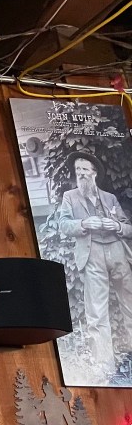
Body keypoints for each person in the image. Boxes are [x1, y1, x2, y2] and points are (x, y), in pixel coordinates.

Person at [57, 151, 132, 379]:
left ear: (95, 173)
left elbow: (128, 228)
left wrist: (116, 226)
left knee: (130, 306)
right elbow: (64, 225)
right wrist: (83, 223)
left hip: (118, 253)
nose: (81, 174)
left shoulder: (109, 198)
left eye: (85, 170)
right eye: (78, 170)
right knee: (97, 314)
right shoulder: (70, 197)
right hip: (92, 256)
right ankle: (105, 368)